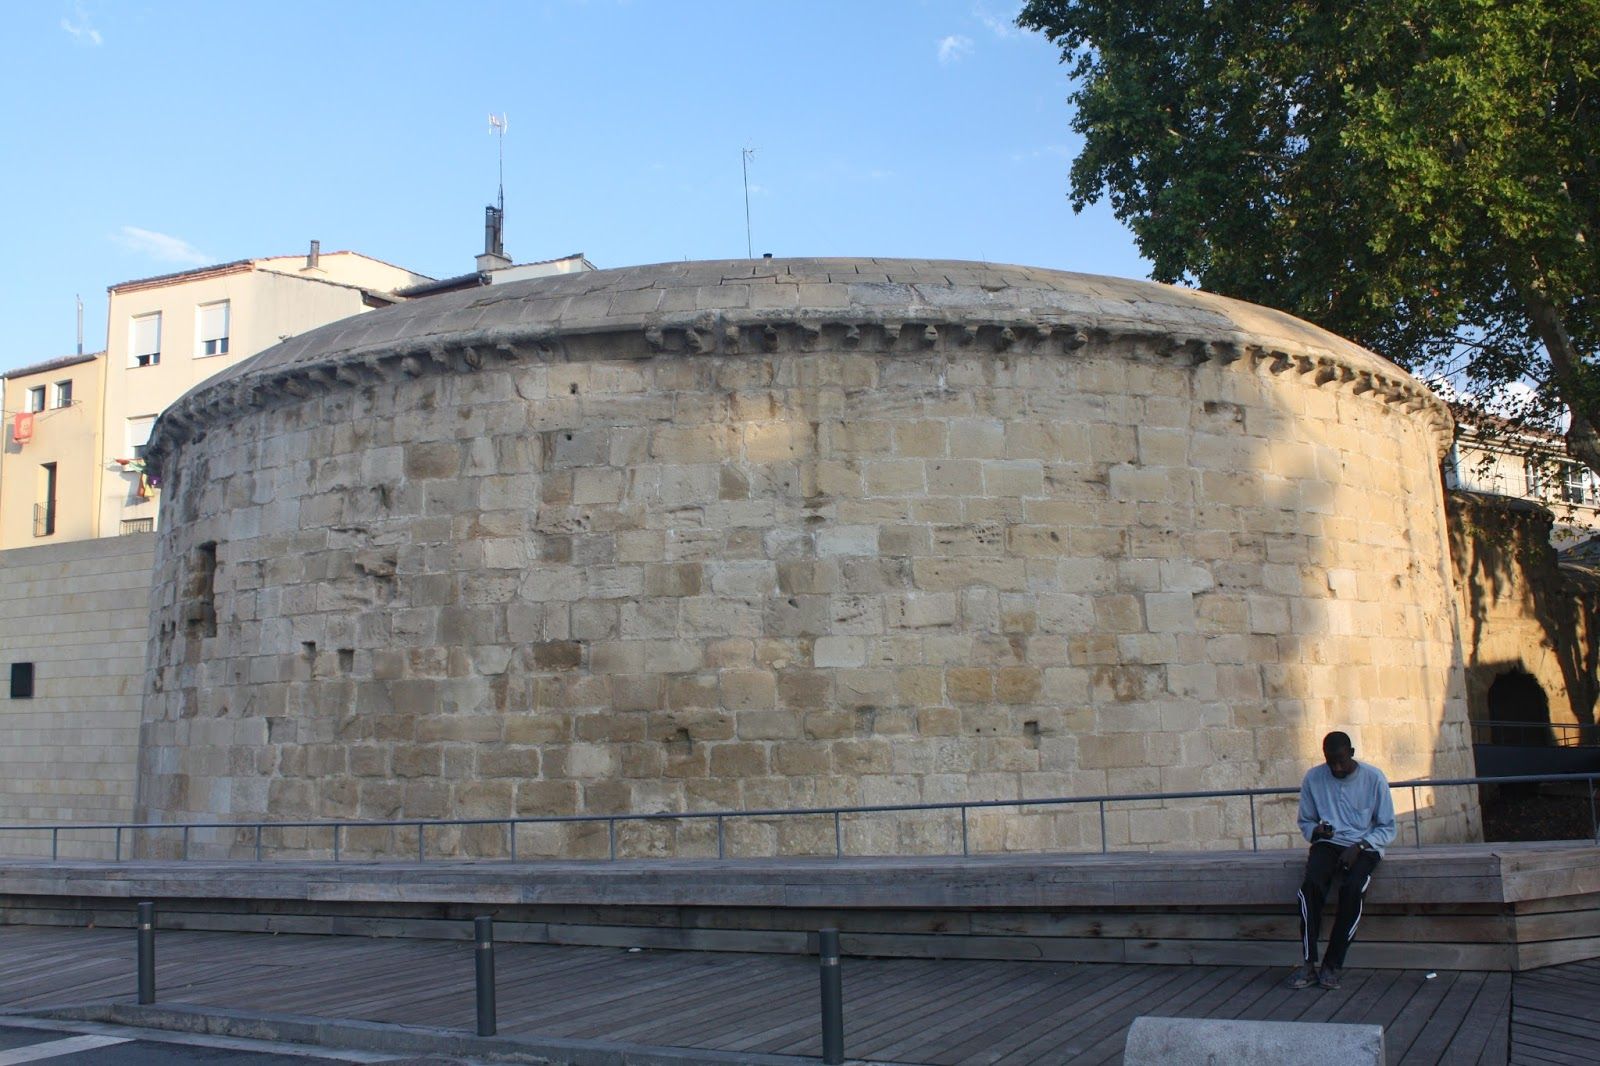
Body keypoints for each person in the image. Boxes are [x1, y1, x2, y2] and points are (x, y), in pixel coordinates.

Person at [1288, 731, 1395, 990]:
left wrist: (1359, 846)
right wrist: (1317, 831)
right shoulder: (1314, 778)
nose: (1336, 767)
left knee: (1353, 889)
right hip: (1328, 843)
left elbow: (1387, 828)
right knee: (1310, 887)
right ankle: (1308, 962)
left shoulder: (1373, 778)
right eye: (1330, 761)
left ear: (1352, 753)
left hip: (1365, 844)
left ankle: (1332, 964)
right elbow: (1306, 821)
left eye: (1341, 760)